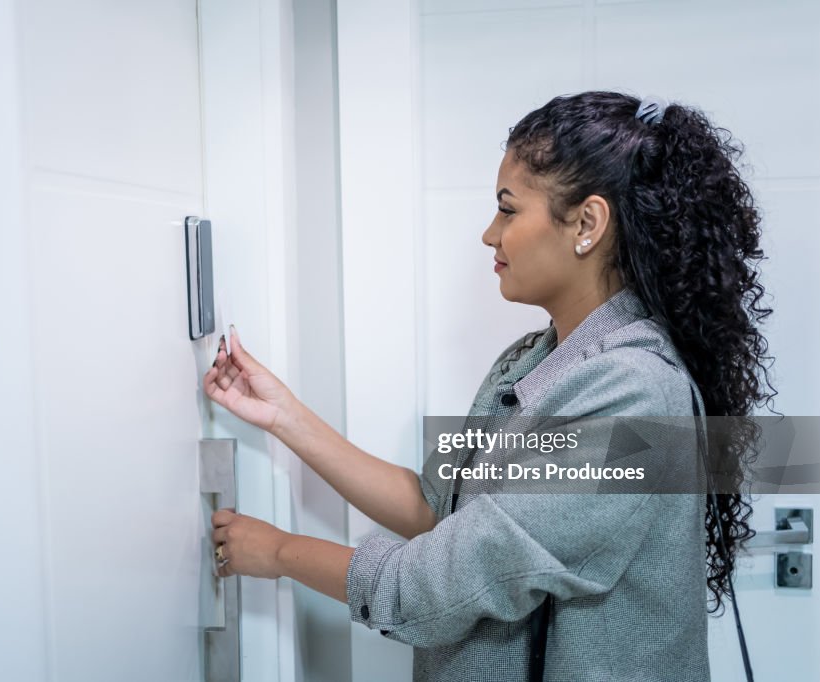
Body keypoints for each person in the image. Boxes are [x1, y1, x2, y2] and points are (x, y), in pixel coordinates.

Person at [202, 91, 775, 681]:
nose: (489, 234)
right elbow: (435, 507)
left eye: (508, 209)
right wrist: (283, 415)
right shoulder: (528, 362)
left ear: (586, 224)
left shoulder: (637, 399)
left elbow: (428, 586)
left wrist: (277, 552)